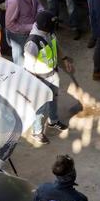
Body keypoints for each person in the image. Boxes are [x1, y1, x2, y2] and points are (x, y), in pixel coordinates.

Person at [23, 11, 72, 144]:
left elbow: (56, 45)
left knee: (53, 99)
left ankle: (53, 121)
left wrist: (64, 59)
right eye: (52, 24)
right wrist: (35, 85)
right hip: (40, 80)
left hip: (53, 74)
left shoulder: (49, 32)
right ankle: (36, 131)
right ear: (45, 26)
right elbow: (28, 68)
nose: (55, 26)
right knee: (41, 107)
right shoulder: (32, 43)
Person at [5, 0, 44, 66]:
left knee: (32, 61)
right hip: (19, 37)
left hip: (30, 32)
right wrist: (32, 26)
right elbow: (10, 25)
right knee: (21, 64)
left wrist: (41, 12)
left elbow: (37, 3)